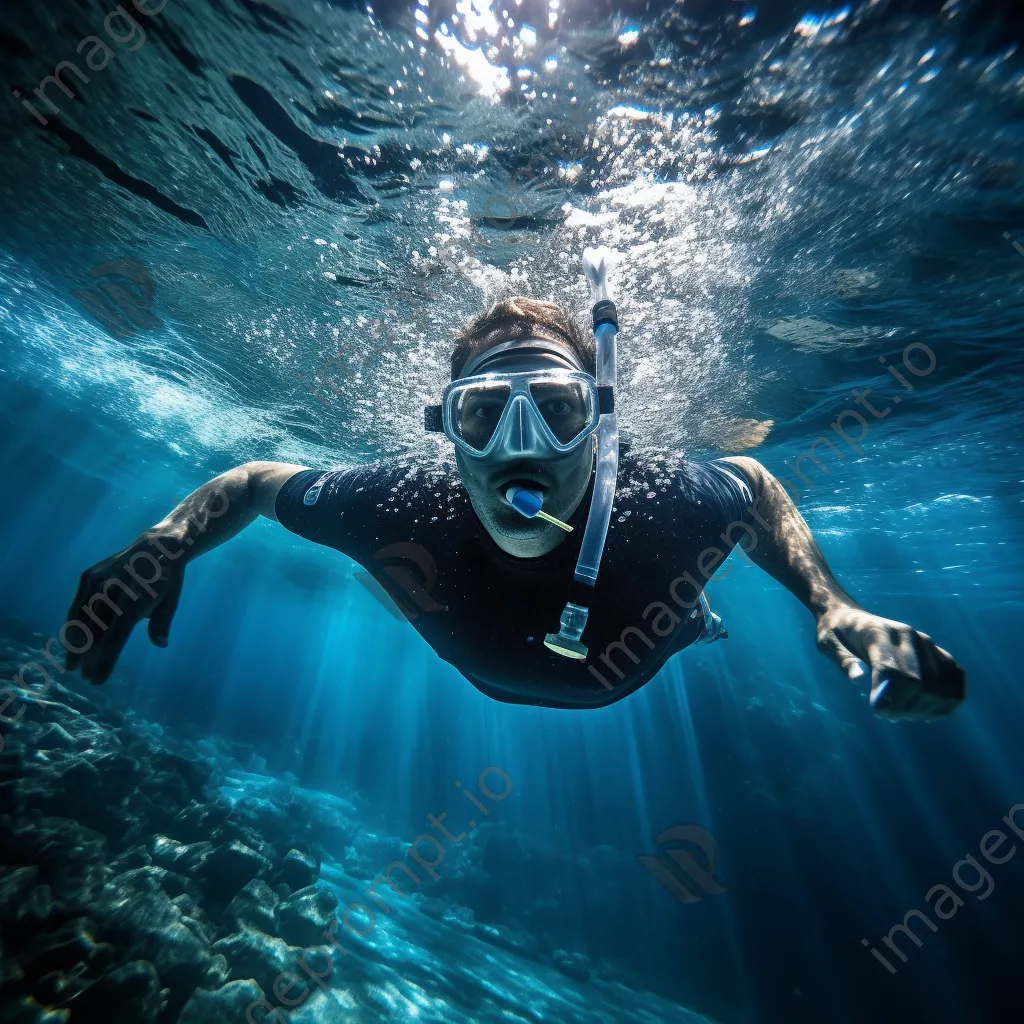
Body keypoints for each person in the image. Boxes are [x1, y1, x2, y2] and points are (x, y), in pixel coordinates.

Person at [65, 264, 965, 718]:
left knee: (689, 613)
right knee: (390, 572)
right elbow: (258, 478)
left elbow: (757, 482)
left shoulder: (666, 502)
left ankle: (697, 623)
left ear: (602, 427)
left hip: (639, 636)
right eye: (485, 415)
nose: (518, 450)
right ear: (446, 430)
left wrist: (832, 603)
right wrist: (166, 540)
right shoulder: (397, 502)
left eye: (561, 410)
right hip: (472, 643)